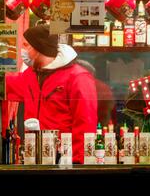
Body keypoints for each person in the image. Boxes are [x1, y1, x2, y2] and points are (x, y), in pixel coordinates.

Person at [6, 25, 97, 164]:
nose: (23, 51)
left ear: (39, 48)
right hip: (35, 157)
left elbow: (85, 122)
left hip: (65, 160)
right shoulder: (31, 75)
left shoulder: (78, 77)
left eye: (27, 46)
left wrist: (77, 163)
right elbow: (6, 85)